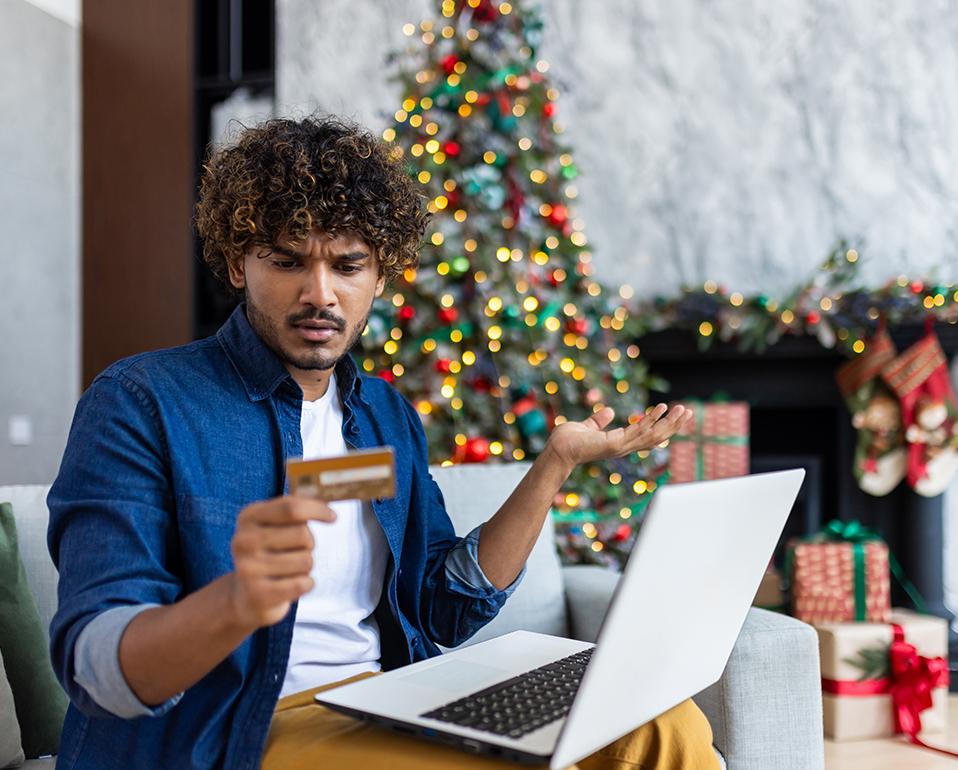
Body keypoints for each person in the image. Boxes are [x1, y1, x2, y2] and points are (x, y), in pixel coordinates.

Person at [46, 117, 720, 769]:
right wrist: (235, 603)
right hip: (238, 734)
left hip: (391, 703)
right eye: (286, 260)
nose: (320, 294)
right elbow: (96, 667)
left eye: (348, 265)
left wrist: (556, 463)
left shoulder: (382, 417)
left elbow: (443, 606)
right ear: (235, 262)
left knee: (663, 725)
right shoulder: (142, 402)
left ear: (380, 274)